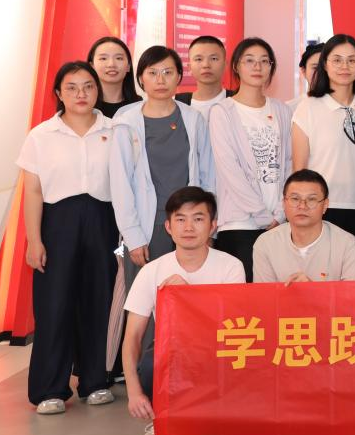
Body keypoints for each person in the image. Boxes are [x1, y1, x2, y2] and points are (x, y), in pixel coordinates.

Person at [17, 61, 119, 415]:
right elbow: (33, 192)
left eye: (88, 86)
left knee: (99, 301)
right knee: (54, 305)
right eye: (72, 87)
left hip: (103, 222)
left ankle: (95, 381)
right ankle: (50, 388)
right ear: (58, 93)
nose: (81, 94)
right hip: (57, 224)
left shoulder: (115, 130)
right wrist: (34, 240)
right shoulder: (41, 135)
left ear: (97, 90)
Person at [122, 187, 245, 435]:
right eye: (180, 219)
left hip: (217, 349)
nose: (189, 227)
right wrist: (133, 392)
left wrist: (187, 296)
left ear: (213, 226)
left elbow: (233, 326)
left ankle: (213, 415)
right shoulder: (151, 271)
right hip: (173, 351)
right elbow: (132, 336)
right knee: (151, 361)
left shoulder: (231, 266)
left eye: (198, 219)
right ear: (168, 226)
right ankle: (162, 418)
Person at [111, 46, 215, 266]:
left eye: (168, 72)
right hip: (147, 227)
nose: (160, 80)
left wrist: (208, 226)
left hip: (189, 224)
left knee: (190, 286)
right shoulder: (126, 123)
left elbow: (208, 176)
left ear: (179, 76)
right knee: (147, 288)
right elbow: (120, 184)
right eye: (152, 73)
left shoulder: (194, 119)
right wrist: (133, 235)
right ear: (141, 78)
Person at [209, 37, 292, 280]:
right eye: (249, 61)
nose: (257, 67)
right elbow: (229, 169)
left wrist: (280, 212)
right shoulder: (222, 111)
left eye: (264, 61)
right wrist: (261, 215)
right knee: (244, 296)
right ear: (236, 66)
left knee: (275, 295)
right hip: (239, 223)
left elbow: (289, 163)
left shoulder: (282, 110)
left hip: (278, 223)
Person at [292, 33, 355, 263]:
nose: (344, 66)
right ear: (325, 64)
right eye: (337, 60)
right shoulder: (308, 107)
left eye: (351, 60)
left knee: (354, 277)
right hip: (321, 209)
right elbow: (299, 169)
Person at [252, 169, 355, 283]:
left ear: (325, 205)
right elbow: (264, 295)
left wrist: (311, 291)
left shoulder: (347, 244)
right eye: (295, 199)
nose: (302, 206)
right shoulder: (265, 243)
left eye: (311, 199)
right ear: (284, 203)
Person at [174, 34, 232, 114]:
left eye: (214, 58)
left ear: (225, 65)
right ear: (189, 67)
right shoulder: (177, 103)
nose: (206, 65)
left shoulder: (238, 101)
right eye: (199, 59)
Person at [87, 36, 138, 118]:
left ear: (128, 66)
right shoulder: (83, 105)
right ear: (92, 66)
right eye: (103, 58)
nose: (111, 64)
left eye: (119, 58)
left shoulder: (140, 107)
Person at [289, 43, 322, 113]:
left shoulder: (343, 107)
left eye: (326, 68)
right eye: (315, 68)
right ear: (304, 71)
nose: (321, 72)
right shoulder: (290, 109)